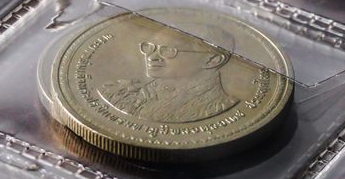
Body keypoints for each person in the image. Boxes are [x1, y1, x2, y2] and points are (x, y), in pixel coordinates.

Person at [101, 21, 244, 123]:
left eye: (168, 50)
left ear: (212, 60)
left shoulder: (219, 107)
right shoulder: (123, 95)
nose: (152, 56)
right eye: (150, 47)